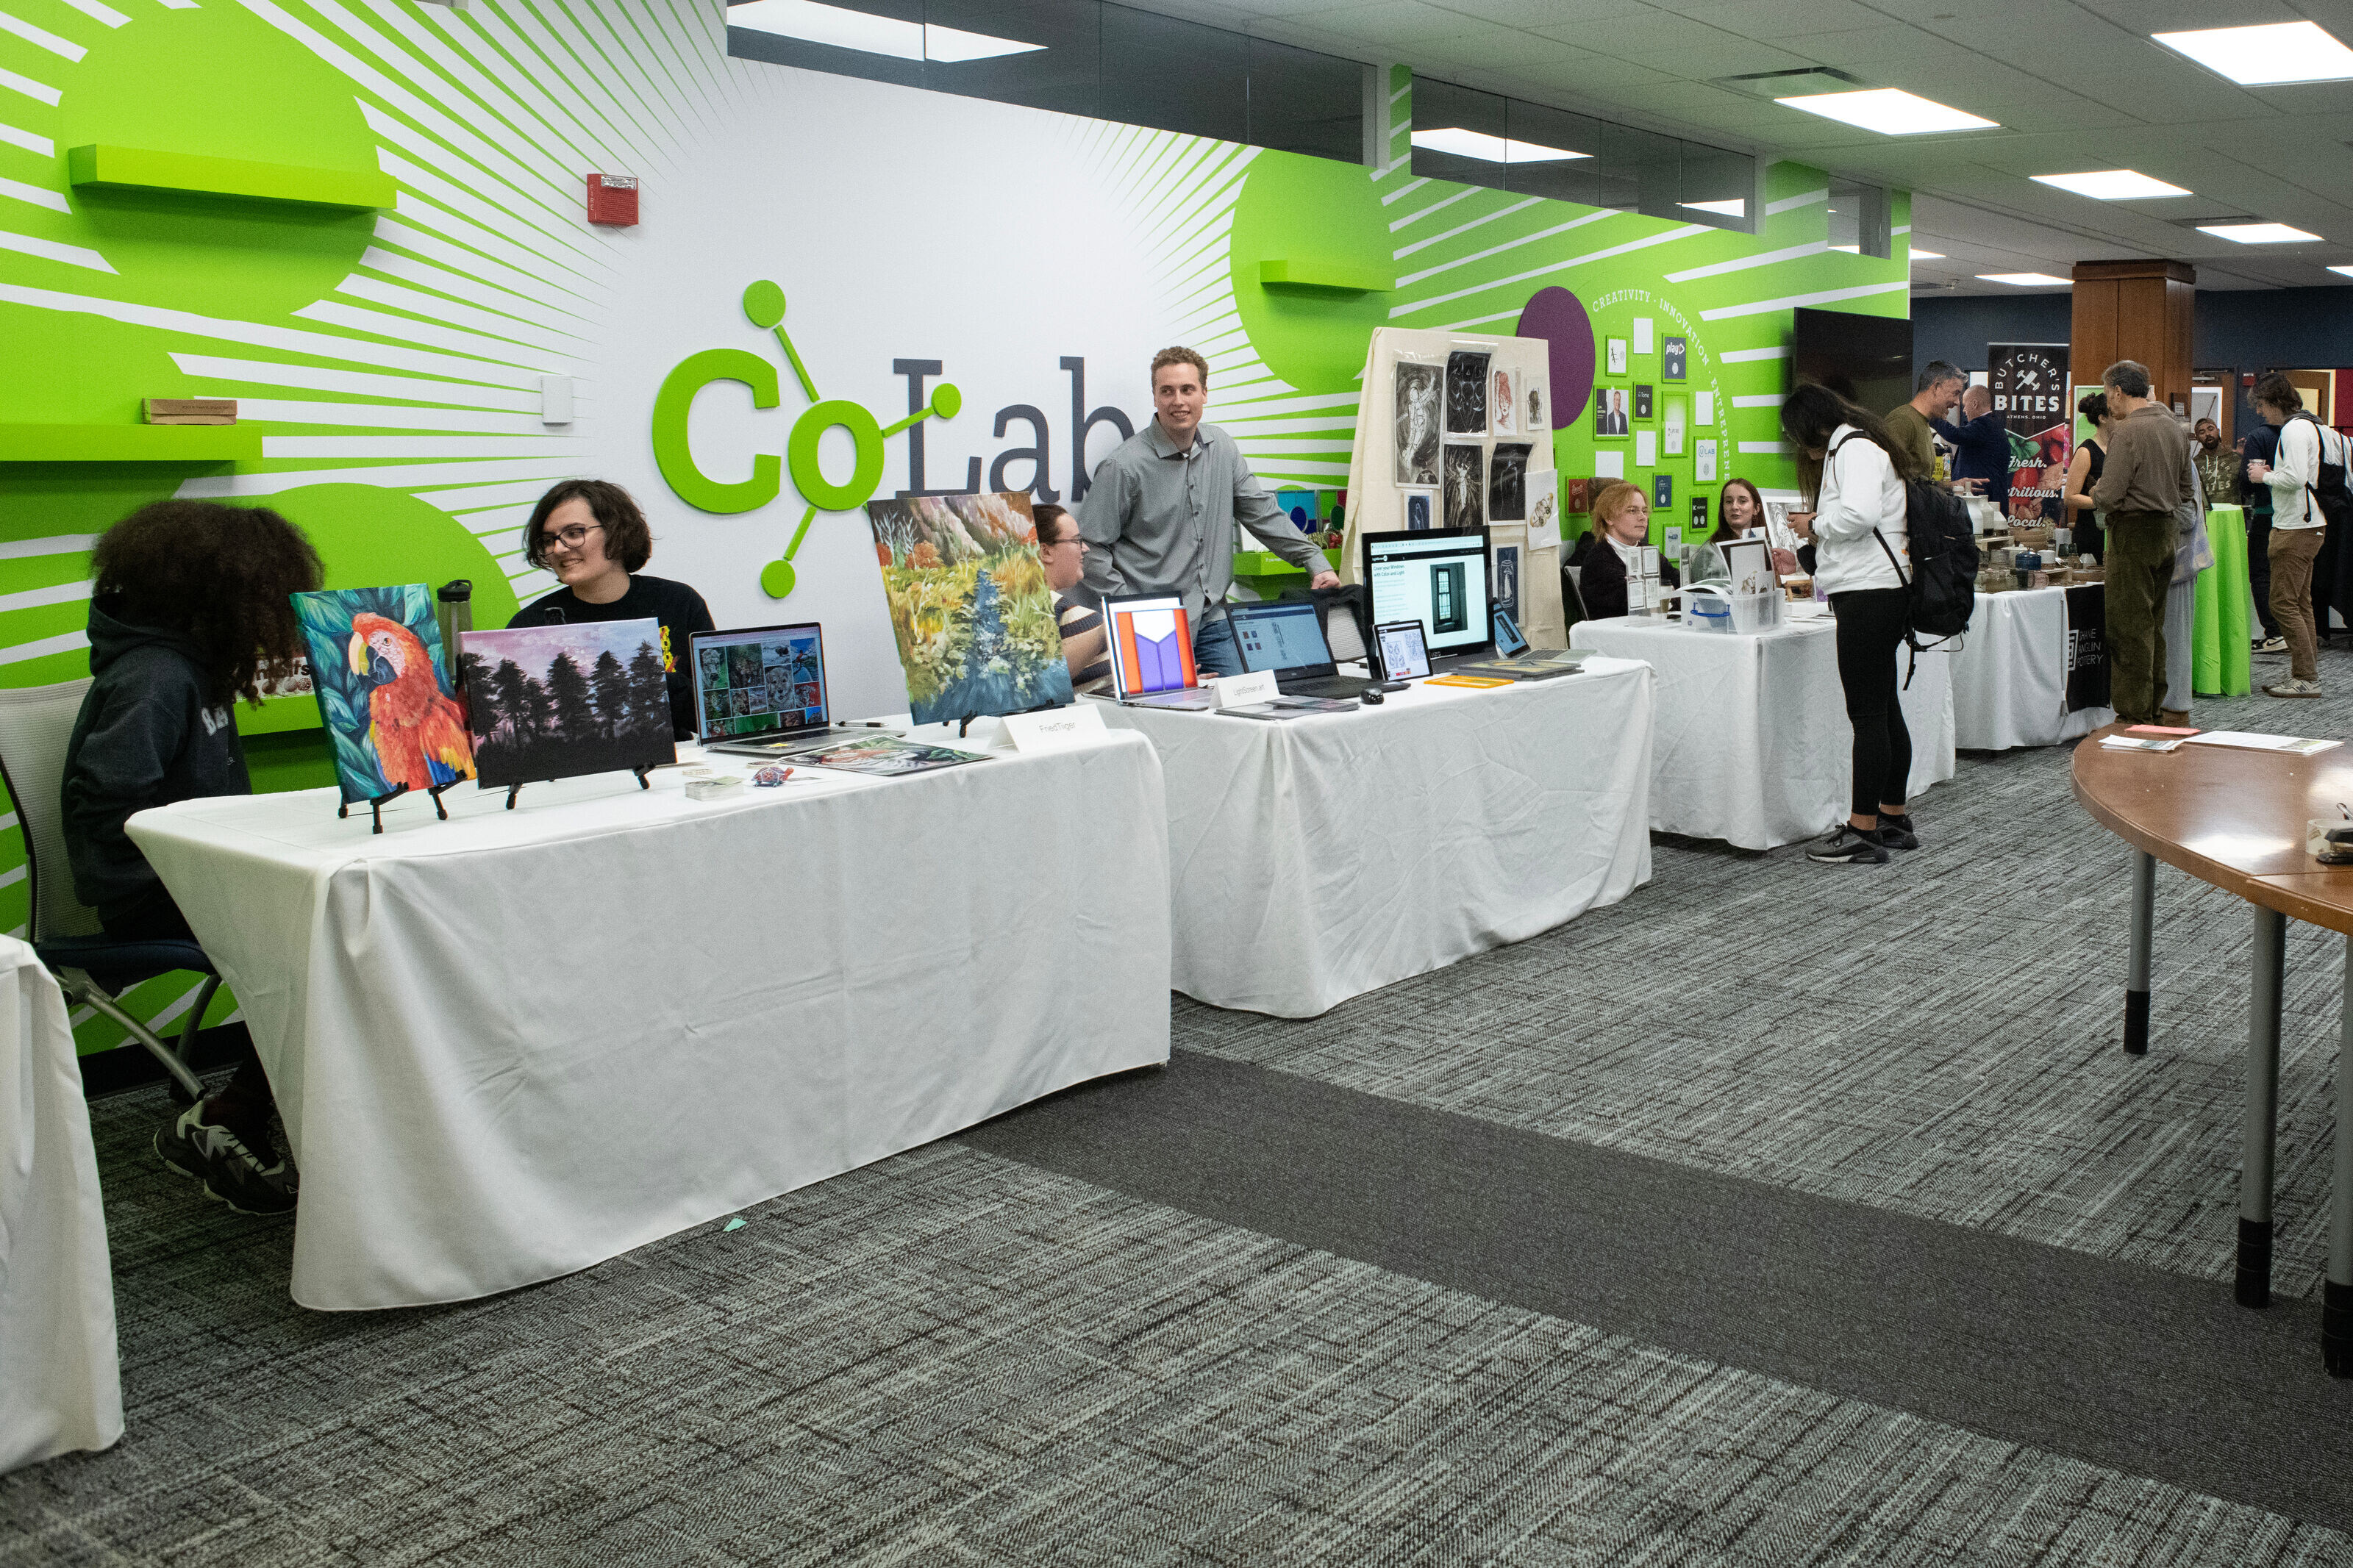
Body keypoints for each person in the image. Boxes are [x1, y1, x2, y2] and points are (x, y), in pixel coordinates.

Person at [62, 501, 323, 1214]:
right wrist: (216, 862)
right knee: (326, 947)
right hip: (147, 892)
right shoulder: (152, 677)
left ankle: (265, 1111)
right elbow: (109, 810)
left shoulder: (190, 667)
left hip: (203, 877)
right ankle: (227, 1117)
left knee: (340, 931)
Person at [1079, 347, 1336, 677]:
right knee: (1174, 718)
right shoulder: (1124, 467)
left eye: (1187, 390)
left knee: (1249, 702)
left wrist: (1313, 560)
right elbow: (1089, 548)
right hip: (1154, 630)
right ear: (1155, 397)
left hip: (1213, 616)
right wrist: (1134, 610)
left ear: (1204, 393)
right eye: (1167, 391)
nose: (1178, 401)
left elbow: (1262, 513)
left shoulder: (1222, 447)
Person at [1779, 382, 1919, 867]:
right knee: (1883, 706)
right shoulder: (1862, 443)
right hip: (1881, 587)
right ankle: (1892, 816)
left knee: (1868, 714)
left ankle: (1862, 828)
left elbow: (1859, 515)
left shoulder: (1853, 449)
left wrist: (1813, 525)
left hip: (1868, 591)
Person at [510, 479, 713, 737]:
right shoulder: (529, 626)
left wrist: (649, 682)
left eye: (574, 533)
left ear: (617, 532)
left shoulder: (678, 601)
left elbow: (715, 710)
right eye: (549, 540)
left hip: (673, 767)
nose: (558, 549)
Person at [2088, 359, 2191, 725]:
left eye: (2107, 394)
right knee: (2153, 625)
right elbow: (2186, 490)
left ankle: (2133, 716)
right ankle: (2152, 709)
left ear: (2118, 391)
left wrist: (2097, 490)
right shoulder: (2175, 428)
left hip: (2131, 534)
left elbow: (2111, 496)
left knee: (2128, 628)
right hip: (2166, 532)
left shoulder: (2127, 433)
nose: (2107, 403)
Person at [2245, 373, 2336, 697]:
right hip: (2311, 523)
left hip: (2296, 526)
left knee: (2283, 604)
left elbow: (2295, 479)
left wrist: (2264, 475)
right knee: (2300, 603)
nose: (2259, 412)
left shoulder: (2294, 430)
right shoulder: (2313, 425)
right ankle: (2306, 674)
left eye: (2260, 405)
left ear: (2273, 401)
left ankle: (2306, 678)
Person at [1571, 482, 1676, 620]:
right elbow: (1634, 606)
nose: (1643, 517)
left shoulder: (1649, 553)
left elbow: (1687, 590)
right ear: (1609, 517)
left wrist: (1665, 597)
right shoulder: (1598, 561)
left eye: (1644, 511)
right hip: (1618, 637)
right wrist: (1667, 595)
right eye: (1632, 511)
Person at [1036, 503, 1109, 694]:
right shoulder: (1085, 621)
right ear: (1046, 552)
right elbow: (1042, 681)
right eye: (1077, 541)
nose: (1085, 549)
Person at [2240, 415, 2285, 653]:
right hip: (2300, 518)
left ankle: (2275, 632)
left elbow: (2247, 481)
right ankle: (2290, 632)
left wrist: (2262, 477)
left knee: (2260, 572)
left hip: (2268, 511)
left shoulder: (2260, 436)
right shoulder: (2314, 432)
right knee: (2289, 578)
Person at [1934, 384, 2011, 513]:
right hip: (1987, 503)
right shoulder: (1991, 426)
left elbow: (1954, 434)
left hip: (1983, 505)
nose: (1964, 410)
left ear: (1975, 404)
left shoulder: (1985, 425)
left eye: (1965, 405)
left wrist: (1932, 417)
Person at [1884, 361, 1964, 482]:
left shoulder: (1924, 423)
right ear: (1936, 388)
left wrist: (1951, 486)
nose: (1958, 402)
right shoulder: (1902, 421)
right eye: (1955, 393)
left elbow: (1921, 484)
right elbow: (1885, 479)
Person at [1710, 477, 1799, 573]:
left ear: (1756, 509)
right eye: (1728, 502)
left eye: (1742, 501)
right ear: (1723, 509)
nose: (1734, 506)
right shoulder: (1712, 551)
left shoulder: (1773, 547)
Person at [2063, 392, 2111, 562]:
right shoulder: (2086, 451)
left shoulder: (2120, 448)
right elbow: (2069, 497)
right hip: (2091, 532)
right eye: (2116, 414)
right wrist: (2103, 503)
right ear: (2103, 418)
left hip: (2113, 531)